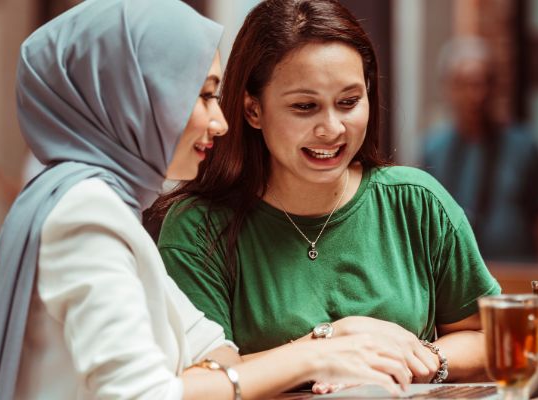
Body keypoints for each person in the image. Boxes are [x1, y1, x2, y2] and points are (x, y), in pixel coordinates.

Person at [0, 1, 411, 399]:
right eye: (204, 96)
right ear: (134, 98)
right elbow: (142, 395)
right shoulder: (85, 213)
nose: (220, 123)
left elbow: (212, 351)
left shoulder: (104, 204)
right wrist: (320, 355)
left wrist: (333, 342)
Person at [155, 0, 501, 389]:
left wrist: (419, 360)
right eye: (305, 107)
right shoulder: (198, 228)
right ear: (253, 110)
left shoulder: (416, 202)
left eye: (349, 102)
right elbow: (197, 380)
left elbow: (492, 339)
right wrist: (329, 348)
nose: (332, 128)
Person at [423, 37, 538, 263]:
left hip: (518, 278)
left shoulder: (525, 146)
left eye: (483, 83)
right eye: (464, 84)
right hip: (454, 282)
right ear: (448, 88)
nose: (476, 95)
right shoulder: (433, 149)